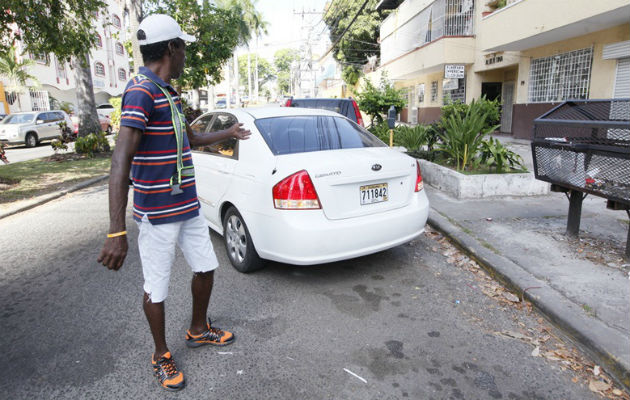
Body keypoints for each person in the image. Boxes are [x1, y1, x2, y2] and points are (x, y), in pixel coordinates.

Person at [97, 14, 250, 392]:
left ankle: (198, 329)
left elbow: (186, 141)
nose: (186, 56)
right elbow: (120, 161)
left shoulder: (168, 92)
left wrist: (226, 132)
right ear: (171, 48)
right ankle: (160, 354)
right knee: (157, 287)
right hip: (158, 214)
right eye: (184, 48)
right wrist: (116, 230)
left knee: (206, 267)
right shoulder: (140, 92)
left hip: (186, 206)